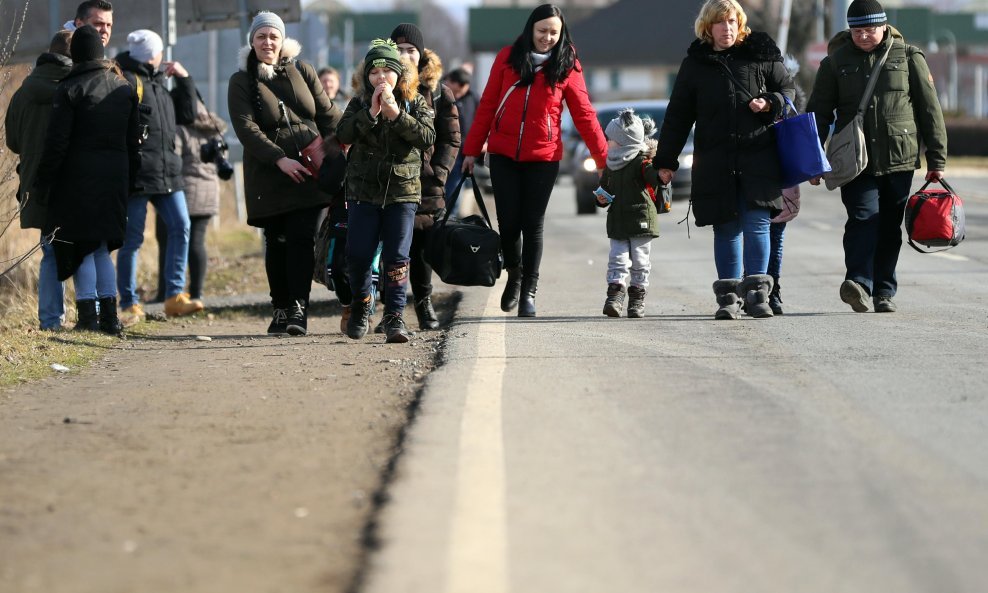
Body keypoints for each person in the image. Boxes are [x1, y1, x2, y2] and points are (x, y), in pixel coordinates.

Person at [462, 3, 607, 317]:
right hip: (503, 155)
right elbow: (487, 105)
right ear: (530, 30)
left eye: (554, 32)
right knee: (509, 224)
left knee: (533, 224)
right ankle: (514, 275)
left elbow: (584, 115)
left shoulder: (568, 64)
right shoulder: (507, 58)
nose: (548, 38)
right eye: (542, 31)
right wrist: (471, 151)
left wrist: (603, 159)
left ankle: (529, 289)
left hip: (543, 156)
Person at [654, 0, 795, 320]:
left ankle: (758, 292)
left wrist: (771, 101)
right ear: (708, 27)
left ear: (740, 23)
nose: (727, 27)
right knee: (727, 227)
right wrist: (666, 161)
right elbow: (677, 116)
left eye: (732, 21)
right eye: (720, 22)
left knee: (758, 223)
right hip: (715, 159)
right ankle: (729, 296)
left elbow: (789, 91)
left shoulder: (760, 53)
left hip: (759, 155)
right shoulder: (695, 64)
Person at [806, 0, 947, 313]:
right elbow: (818, 114)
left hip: (899, 157)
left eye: (870, 29)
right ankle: (858, 282)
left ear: (884, 26)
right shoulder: (835, 62)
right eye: (857, 30)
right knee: (861, 219)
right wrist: (812, 161)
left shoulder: (909, 57)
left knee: (887, 226)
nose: (864, 36)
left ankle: (884, 290)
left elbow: (929, 110)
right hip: (854, 161)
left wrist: (936, 160)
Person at [228, 11, 343, 336]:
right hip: (269, 173)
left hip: (309, 169)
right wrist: (279, 159)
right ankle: (279, 306)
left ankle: (298, 308)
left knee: (301, 238)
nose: (267, 42)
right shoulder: (241, 80)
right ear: (252, 40)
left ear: (282, 41)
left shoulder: (303, 70)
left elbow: (327, 113)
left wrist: (352, 136)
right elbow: (246, 128)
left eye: (273, 36)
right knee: (276, 240)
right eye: (261, 36)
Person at [33, 25, 139, 334]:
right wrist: (129, 181)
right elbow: (134, 144)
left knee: (82, 247)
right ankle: (110, 317)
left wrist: (44, 182)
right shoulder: (124, 87)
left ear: (76, 54)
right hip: (116, 177)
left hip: (78, 179)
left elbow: (57, 144)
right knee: (103, 247)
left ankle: (89, 316)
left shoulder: (70, 88)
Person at [336, 39, 436, 343]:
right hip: (362, 192)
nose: (381, 78)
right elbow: (342, 133)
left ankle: (395, 317)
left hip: (402, 192)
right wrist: (371, 114)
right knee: (359, 255)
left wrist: (396, 115)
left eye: (387, 71)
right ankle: (362, 306)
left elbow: (428, 137)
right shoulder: (359, 102)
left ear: (400, 74)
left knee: (397, 256)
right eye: (374, 72)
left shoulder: (415, 101)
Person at [115, 29, 201, 325]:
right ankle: (128, 302)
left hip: (167, 173)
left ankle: (174, 296)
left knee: (181, 226)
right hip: (139, 176)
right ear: (153, 54)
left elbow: (187, 115)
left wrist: (184, 78)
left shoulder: (159, 83)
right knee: (132, 241)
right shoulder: (127, 81)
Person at [389, 23, 461, 331]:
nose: (405, 55)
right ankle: (391, 312)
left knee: (420, 249)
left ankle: (424, 304)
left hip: (426, 184)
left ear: (420, 55)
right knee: (391, 247)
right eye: (399, 50)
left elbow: (451, 138)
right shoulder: (379, 84)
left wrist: (440, 173)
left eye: (411, 50)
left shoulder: (438, 92)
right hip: (387, 181)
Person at [5, 30, 74, 331]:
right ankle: (91, 315)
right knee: (89, 248)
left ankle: (50, 320)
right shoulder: (78, 87)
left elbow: (13, 142)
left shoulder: (24, 92)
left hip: (38, 183)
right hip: (77, 179)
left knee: (50, 251)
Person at [153, 99, 228, 307]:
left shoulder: (180, 129)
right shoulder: (215, 128)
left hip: (181, 192)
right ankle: (196, 292)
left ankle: (165, 292)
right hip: (209, 193)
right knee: (197, 242)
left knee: (167, 240)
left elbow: (171, 159)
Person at [595, 109, 662, 319]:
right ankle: (614, 298)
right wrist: (601, 198)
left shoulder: (642, 162)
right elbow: (605, 188)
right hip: (618, 219)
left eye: (611, 139)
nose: (608, 143)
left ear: (624, 141)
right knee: (617, 259)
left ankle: (637, 300)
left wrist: (663, 174)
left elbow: (655, 179)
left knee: (640, 261)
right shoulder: (611, 164)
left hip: (642, 219)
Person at [443, 67, 478, 207]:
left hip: (462, 152)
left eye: (459, 93)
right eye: (455, 91)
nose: (456, 96)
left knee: (454, 192)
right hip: (442, 149)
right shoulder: (437, 92)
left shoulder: (472, 98)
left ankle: (450, 221)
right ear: (449, 81)